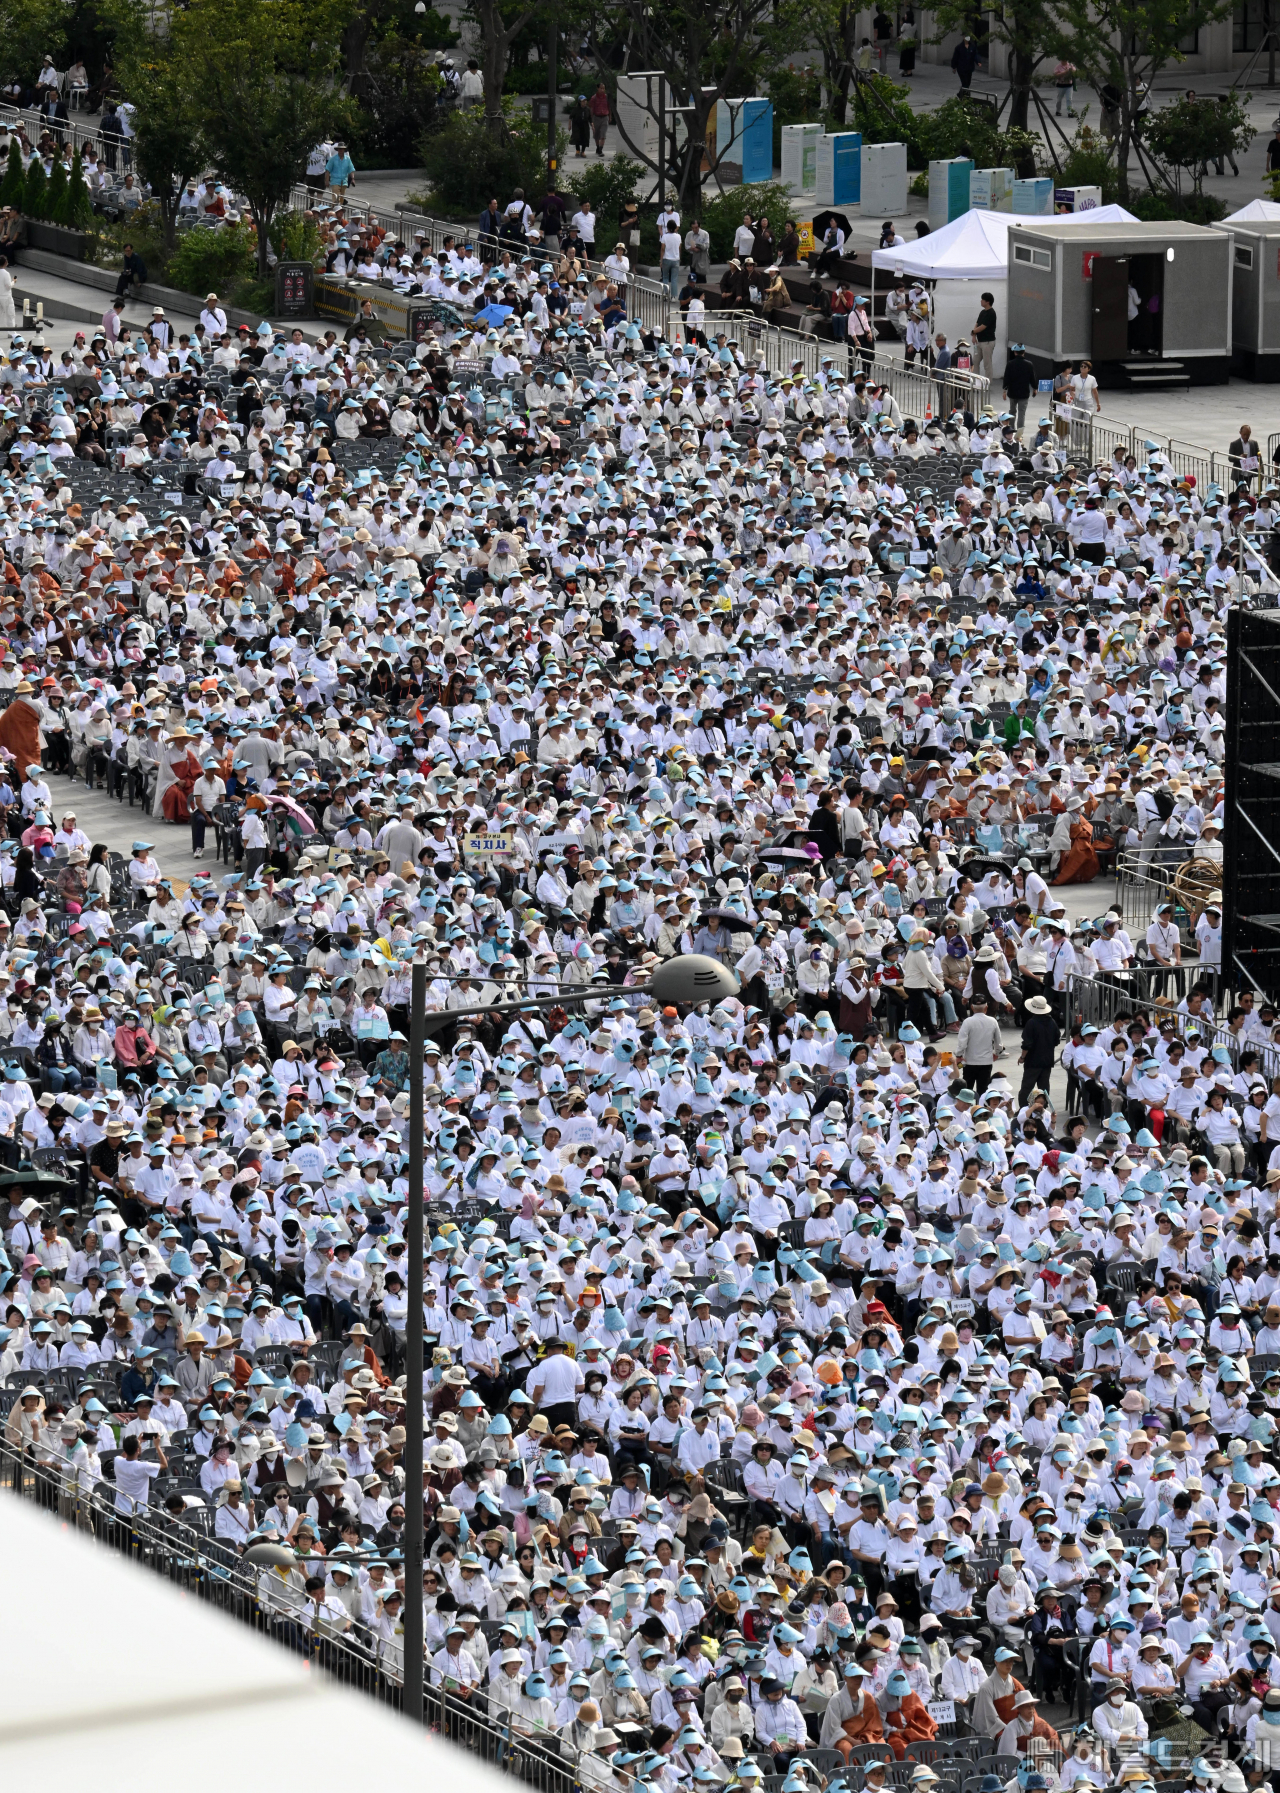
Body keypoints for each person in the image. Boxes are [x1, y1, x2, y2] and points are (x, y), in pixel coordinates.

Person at [971, 290, 997, 380]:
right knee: (975, 361)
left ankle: (987, 383)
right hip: (980, 342)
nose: (981, 301)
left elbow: (983, 327)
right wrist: (974, 335)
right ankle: (976, 382)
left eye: (982, 300)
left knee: (987, 363)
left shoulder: (991, 313)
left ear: (987, 302)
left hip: (988, 342)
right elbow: (977, 324)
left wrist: (973, 332)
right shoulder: (982, 312)